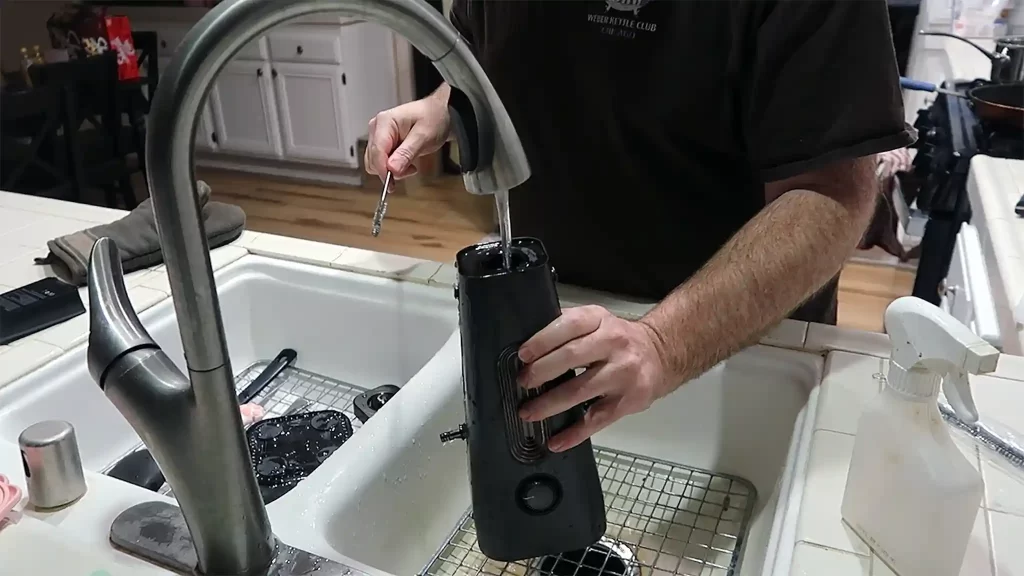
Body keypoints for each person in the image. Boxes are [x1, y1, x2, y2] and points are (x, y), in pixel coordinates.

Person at [364, 0, 915, 454]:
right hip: (557, 326)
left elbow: (830, 194)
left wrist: (661, 344)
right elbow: (486, 59)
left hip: (736, 351)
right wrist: (449, 105)